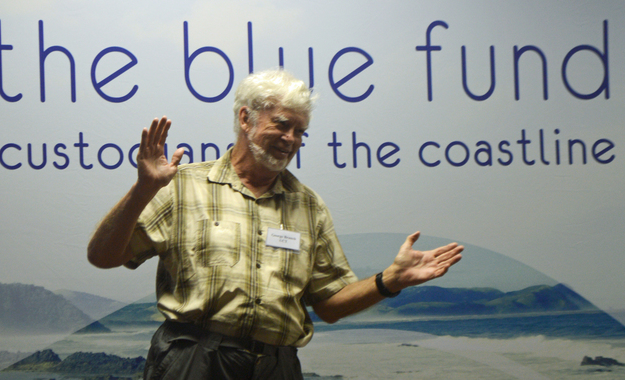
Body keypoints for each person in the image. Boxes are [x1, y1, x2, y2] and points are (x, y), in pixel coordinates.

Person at [87, 69, 464, 380]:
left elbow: (329, 304)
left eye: (301, 132)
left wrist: (389, 281)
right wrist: (143, 190)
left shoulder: (308, 205)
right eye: (282, 125)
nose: (291, 140)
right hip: (193, 362)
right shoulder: (184, 185)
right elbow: (103, 257)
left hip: (277, 367)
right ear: (245, 118)